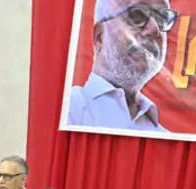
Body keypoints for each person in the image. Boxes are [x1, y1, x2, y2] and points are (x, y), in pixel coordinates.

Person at [67, 0, 178, 132]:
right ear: (99, 36)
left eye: (162, 19)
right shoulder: (65, 110)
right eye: (137, 15)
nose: (155, 29)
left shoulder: (165, 138)